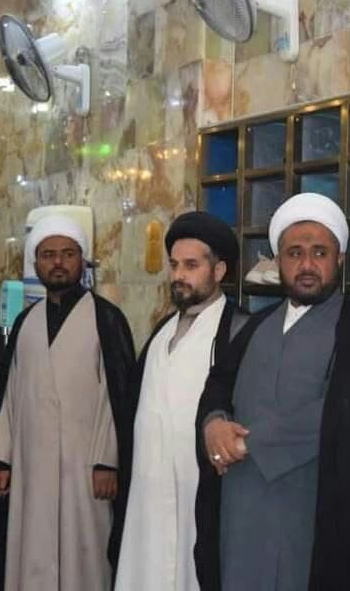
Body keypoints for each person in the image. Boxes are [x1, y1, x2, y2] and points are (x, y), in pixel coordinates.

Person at [194, 192, 350, 591]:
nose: (306, 265)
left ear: (339, 259)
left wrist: (249, 443)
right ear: (278, 260)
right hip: (241, 506)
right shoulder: (255, 325)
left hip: (311, 513)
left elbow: (345, 411)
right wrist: (214, 424)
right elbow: (219, 384)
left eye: (320, 253)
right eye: (294, 253)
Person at [0, 214, 136, 591]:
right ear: (35, 263)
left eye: (68, 254)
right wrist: (2, 460)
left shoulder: (106, 318)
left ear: (82, 261)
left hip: (84, 468)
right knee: (32, 552)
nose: (58, 262)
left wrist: (107, 462)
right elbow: (11, 394)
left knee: (84, 558)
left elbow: (117, 396)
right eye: (48, 255)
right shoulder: (25, 322)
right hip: (31, 467)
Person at [113, 211, 247, 591]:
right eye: (174, 265)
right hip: (146, 497)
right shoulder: (162, 331)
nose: (178, 275)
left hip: (199, 498)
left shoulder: (238, 331)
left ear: (219, 270)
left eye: (191, 265)